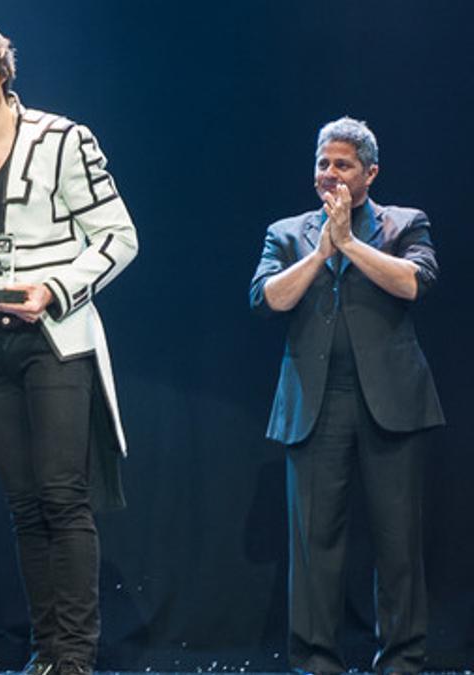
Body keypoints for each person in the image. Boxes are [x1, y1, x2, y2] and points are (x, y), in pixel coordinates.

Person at [0, 19, 139, 675]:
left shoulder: (63, 138)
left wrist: (52, 287)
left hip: (56, 339)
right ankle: (47, 650)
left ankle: (75, 655)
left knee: (61, 496)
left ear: (2, 70)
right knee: (23, 504)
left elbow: (119, 237)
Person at [249, 117, 444, 675]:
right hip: (315, 404)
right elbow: (267, 300)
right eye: (321, 163)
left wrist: (351, 244)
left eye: (342, 164)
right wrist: (320, 253)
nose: (328, 174)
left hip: (392, 403)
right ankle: (316, 663)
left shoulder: (405, 222)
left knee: (399, 543)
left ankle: (403, 660)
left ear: (370, 172)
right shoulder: (287, 233)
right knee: (315, 545)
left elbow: (412, 282)